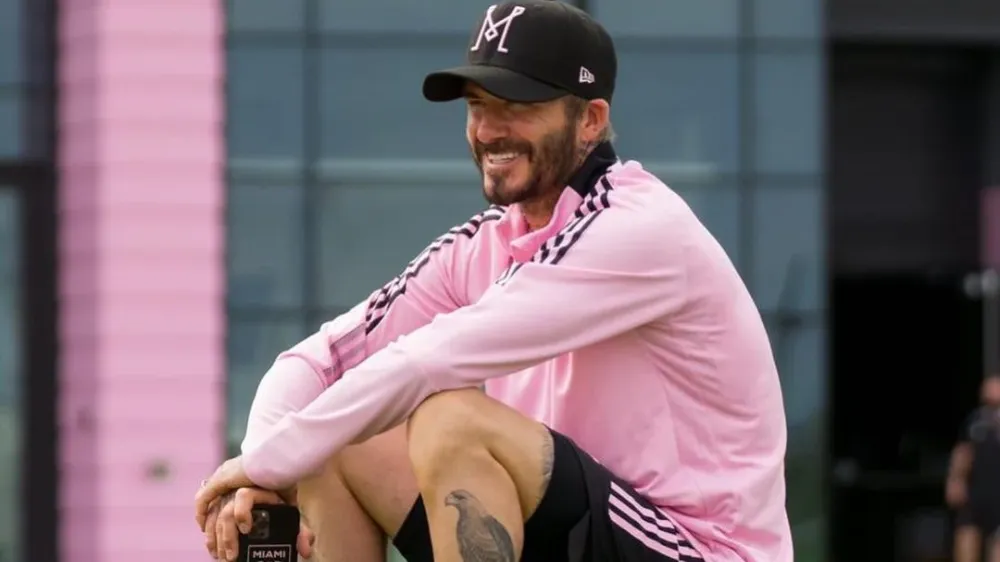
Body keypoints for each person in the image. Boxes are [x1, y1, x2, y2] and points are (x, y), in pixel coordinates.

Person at [194, 2, 793, 561]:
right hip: (577, 529)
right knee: (335, 435)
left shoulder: (638, 230)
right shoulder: (483, 245)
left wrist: (264, 464)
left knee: (448, 419)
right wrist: (261, 472)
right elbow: (321, 360)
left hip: (699, 549)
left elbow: (427, 362)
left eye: (518, 107)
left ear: (590, 119)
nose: (488, 130)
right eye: (478, 106)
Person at [947, 374, 1000, 562]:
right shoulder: (975, 420)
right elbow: (962, 452)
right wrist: (955, 480)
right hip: (974, 493)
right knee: (965, 546)